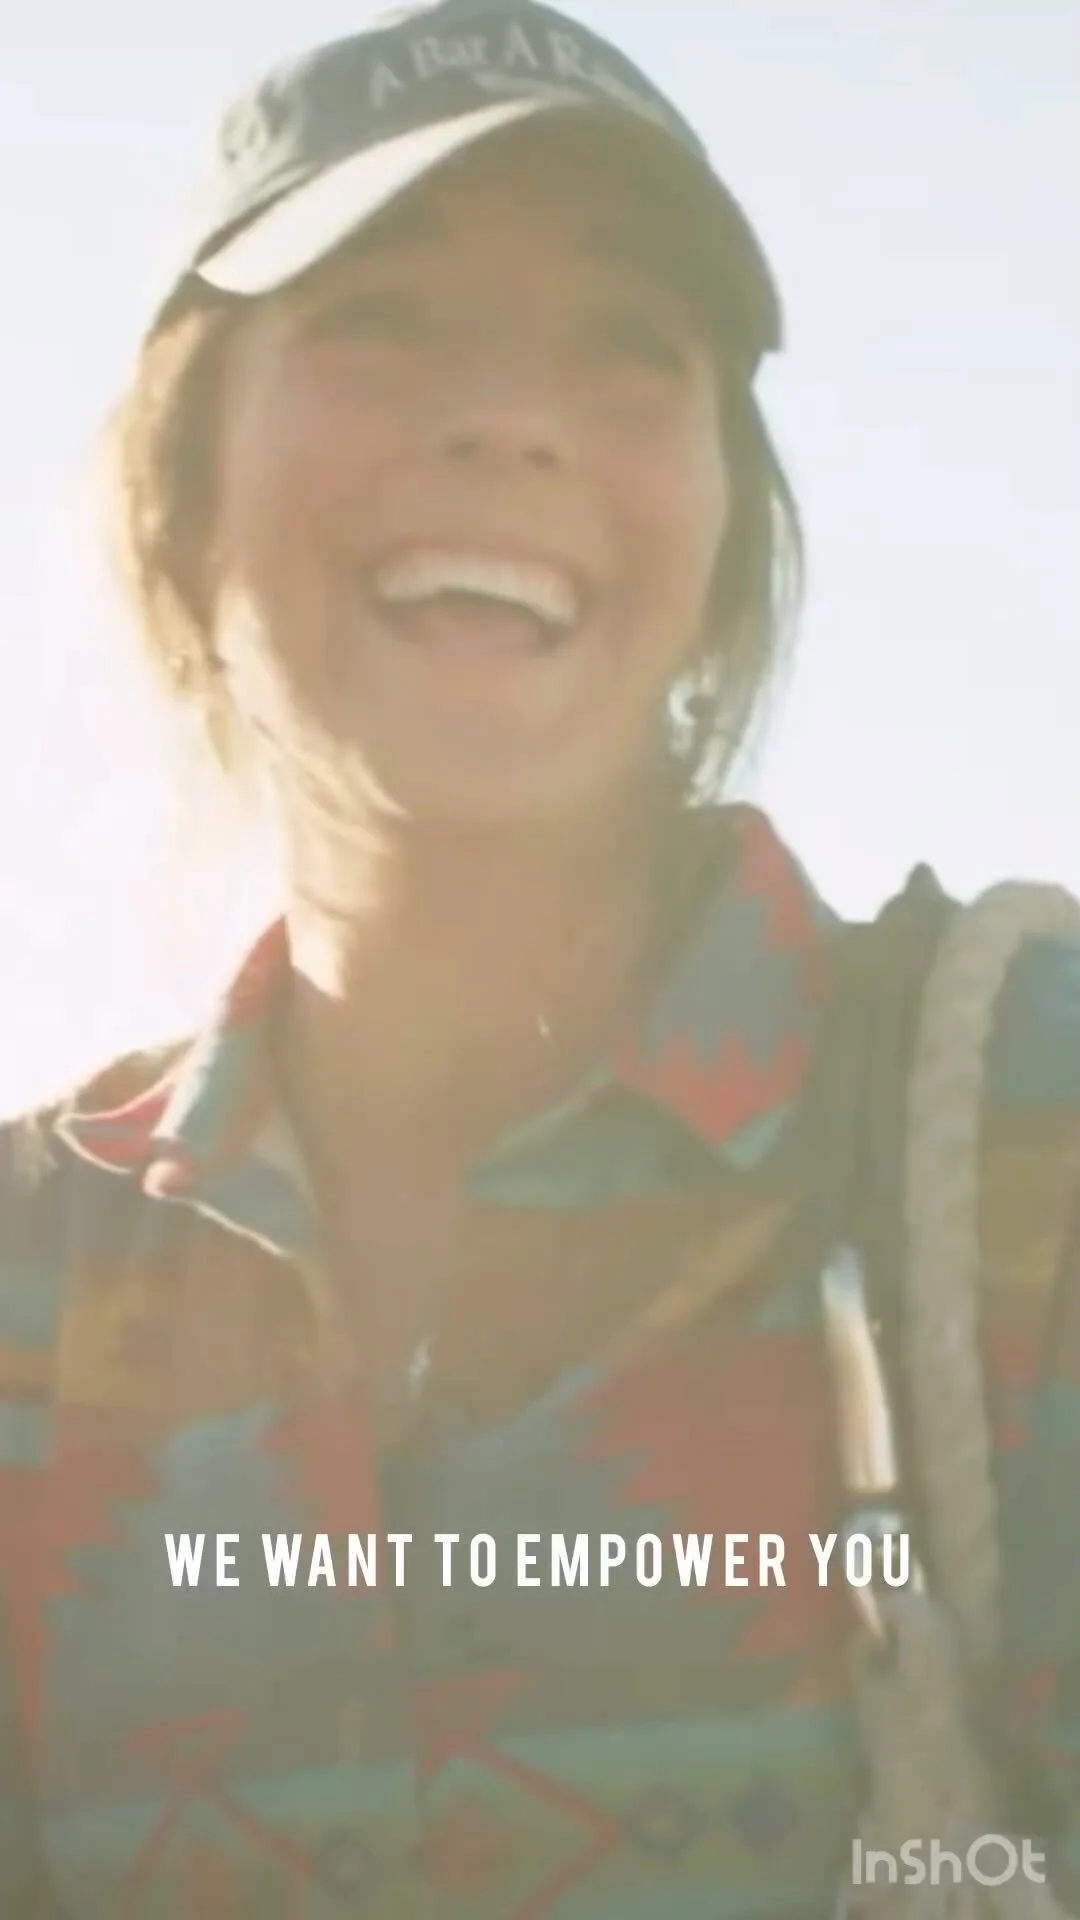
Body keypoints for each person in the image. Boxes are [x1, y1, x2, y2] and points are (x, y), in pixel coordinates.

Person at [1, 2, 1077, 1915]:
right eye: (382, 318)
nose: (512, 421)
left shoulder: (1025, 1134)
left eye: (628, 344)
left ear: (727, 536)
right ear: (175, 497)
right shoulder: (30, 1287)